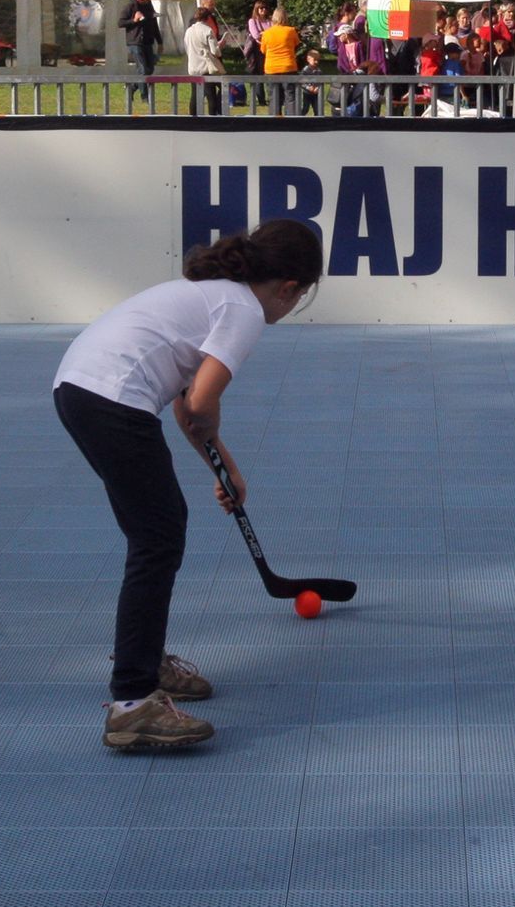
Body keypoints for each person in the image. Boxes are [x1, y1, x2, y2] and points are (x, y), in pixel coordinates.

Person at [53, 218, 323, 750]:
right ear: (290, 289)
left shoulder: (212, 293)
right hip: (112, 400)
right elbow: (201, 404)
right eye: (301, 298)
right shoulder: (244, 310)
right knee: (157, 538)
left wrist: (226, 468)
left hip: (78, 388)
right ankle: (133, 702)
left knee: (155, 531)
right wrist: (217, 445)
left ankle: (145, 665)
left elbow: (184, 405)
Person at [118, 0, 162, 106]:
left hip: (148, 42)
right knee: (142, 69)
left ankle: (131, 87)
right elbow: (120, 23)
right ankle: (145, 97)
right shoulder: (131, 7)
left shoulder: (149, 7)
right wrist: (134, 20)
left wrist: (160, 41)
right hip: (135, 42)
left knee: (149, 69)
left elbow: (154, 25)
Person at [183, 6, 225, 114]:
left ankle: (193, 117)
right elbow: (215, 52)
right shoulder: (208, 30)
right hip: (206, 67)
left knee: (195, 95)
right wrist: (220, 46)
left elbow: (187, 48)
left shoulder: (188, 31)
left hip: (193, 66)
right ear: (207, 18)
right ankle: (212, 117)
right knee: (211, 95)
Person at [259, 6, 300, 115]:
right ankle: (291, 121)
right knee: (290, 96)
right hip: (288, 66)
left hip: (271, 68)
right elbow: (296, 44)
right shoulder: (291, 31)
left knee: (274, 97)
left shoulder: (266, 33)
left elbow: (263, 50)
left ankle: (275, 122)